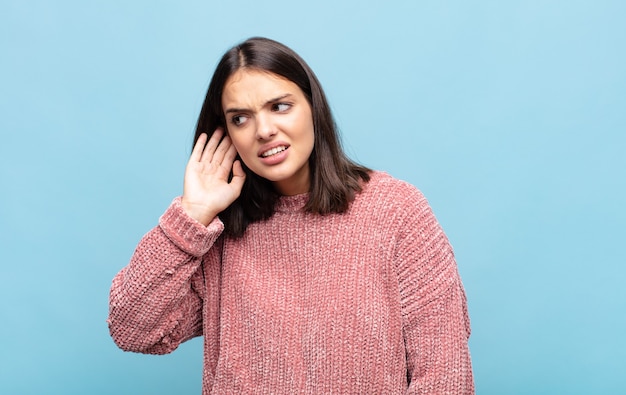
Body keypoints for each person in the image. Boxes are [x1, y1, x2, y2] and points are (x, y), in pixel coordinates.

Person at [108, 37, 474, 394]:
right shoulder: (216, 235)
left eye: (279, 106)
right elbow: (132, 328)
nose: (264, 130)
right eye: (241, 118)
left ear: (312, 107)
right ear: (225, 135)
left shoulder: (396, 210)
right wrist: (192, 215)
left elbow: (445, 377)